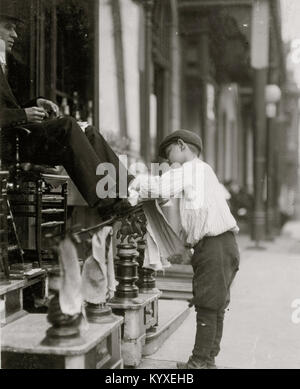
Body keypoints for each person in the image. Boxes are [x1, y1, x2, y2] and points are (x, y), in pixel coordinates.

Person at [0, 12, 132, 213]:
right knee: (68, 125)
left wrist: (35, 104)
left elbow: (7, 108)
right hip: (9, 144)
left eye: (15, 29)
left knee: (87, 130)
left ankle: (127, 189)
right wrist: (24, 115)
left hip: (17, 138)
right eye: (9, 27)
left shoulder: (4, 65)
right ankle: (106, 203)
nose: (15, 35)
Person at [129, 129, 240, 369]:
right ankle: (208, 360)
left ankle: (199, 363)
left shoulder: (191, 169)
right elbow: (196, 212)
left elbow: (159, 188)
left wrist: (132, 181)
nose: (167, 160)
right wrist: (187, 240)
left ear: (181, 145)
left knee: (208, 305)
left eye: (168, 153)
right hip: (221, 245)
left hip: (216, 246)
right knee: (215, 305)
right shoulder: (203, 172)